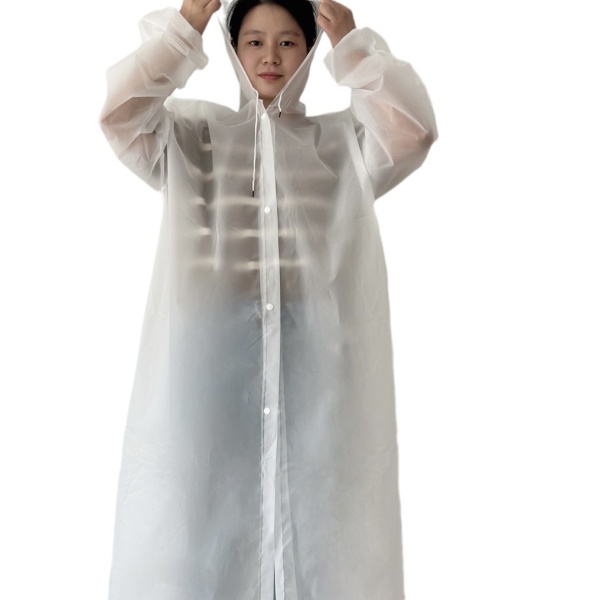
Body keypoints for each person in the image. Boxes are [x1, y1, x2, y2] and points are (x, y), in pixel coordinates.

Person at [99, 1, 437, 599]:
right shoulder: (192, 138)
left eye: (287, 42)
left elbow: (412, 130)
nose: (270, 57)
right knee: (202, 533)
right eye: (254, 41)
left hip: (319, 375)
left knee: (322, 535)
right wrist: (184, 28)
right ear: (233, 51)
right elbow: (122, 115)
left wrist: (352, 44)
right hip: (209, 372)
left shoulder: (341, 143)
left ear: (308, 51)